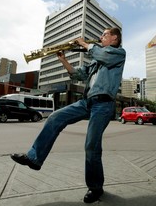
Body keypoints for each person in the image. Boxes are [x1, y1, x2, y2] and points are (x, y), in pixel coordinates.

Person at [11, 27, 126, 203]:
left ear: (114, 39)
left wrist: (85, 44)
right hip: (87, 101)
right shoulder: (96, 61)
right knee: (55, 117)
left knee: (91, 145)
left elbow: (102, 55)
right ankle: (34, 158)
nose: (100, 36)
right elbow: (77, 74)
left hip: (103, 104)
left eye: (104, 34)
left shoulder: (117, 53)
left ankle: (96, 188)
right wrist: (63, 60)